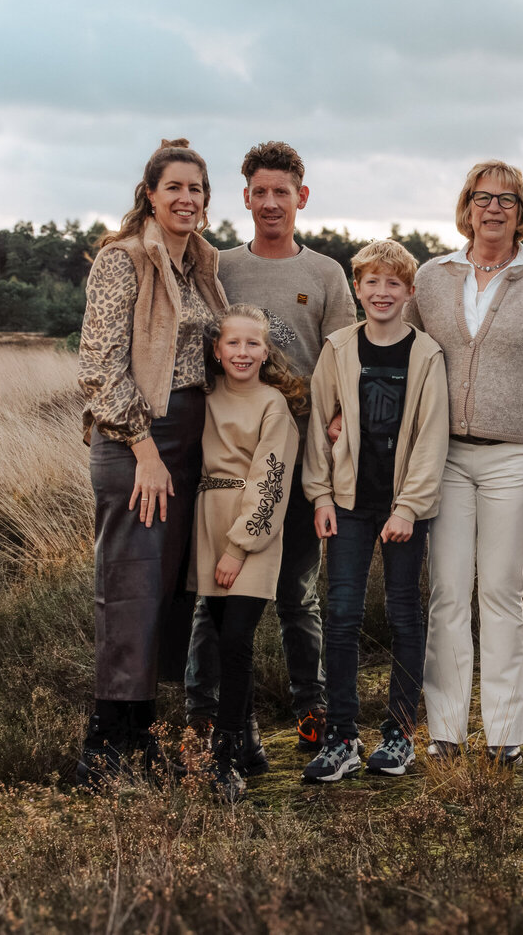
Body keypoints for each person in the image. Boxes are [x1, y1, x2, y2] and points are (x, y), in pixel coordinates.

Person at [407, 160, 523, 765]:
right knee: (448, 591)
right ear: (466, 206)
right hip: (444, 457)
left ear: (522, 212)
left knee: (502, 592)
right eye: (482, 198)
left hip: (515, 456)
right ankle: (446, 733)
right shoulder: (432, 277)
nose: (493, 209)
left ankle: (506, 735)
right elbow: (401, 356)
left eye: (507, 201)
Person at [186, 140, 358, 766]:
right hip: (229, 464)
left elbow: (345, 358)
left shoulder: (326, 275)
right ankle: (210, 719)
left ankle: (310, 710)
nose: (270, 203)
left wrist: (338, 422)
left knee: (295, 593)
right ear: (246, 198)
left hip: (302, 457)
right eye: (259, 192)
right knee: (218, 598)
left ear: (301, 198)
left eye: (281, 192)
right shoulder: (221, 267)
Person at [77, 138, 228, 787]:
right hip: (138, 444)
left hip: (189, 443)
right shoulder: (123, 260)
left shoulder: (200, 266)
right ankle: (102, 748)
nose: (187, 198)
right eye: (176, 187)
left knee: (163, 598)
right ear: (150, 193)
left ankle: (139, 739)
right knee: (130, 590)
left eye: (197, 189)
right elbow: (100, 367)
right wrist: (143, 450)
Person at [300, 239, 450, 781]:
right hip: (348, 505)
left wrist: (409, 507)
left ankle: (398, 735)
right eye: (371, 282)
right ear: (356, 288)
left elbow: (432, 438)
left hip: (403, 508)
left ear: (410, 291)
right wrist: (319, 494)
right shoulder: (339, 347)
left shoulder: (427, 354)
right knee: (340, 616)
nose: (382, 292)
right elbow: (319, 423)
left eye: (393, 283)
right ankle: (341, 737)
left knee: (404, 614)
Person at [188, 304, 304, 800]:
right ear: (216, 350)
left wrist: (239, 546)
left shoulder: (272, 405)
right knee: (217, 636)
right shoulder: (202, 398)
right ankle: (251, 748)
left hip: (251, 526)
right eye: (232, 343)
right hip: (205, 520)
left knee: (237, 640)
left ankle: (225, 757)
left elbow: (271, 480)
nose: (242, 352)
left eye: (252, 343)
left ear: (264, 351)